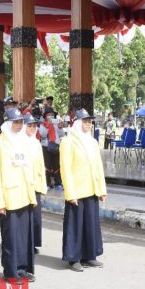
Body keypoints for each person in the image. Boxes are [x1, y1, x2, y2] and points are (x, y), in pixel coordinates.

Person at [0, 108, 37, 283]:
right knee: (11, 237)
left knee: (24, 236)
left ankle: (23, 267)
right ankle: (10, 271)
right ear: (7, 123)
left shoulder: (24, 142)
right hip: (9, 198)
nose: (18, 126)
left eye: (20, 122)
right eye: (15, 122)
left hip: (24, 194)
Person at [60, 109, 107, 272]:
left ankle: (89, 255)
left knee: (90, 224)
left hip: (92, 188)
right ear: (77, 122)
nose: (88, 124)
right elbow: (65, 169)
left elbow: (98, 167)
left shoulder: (92, 142)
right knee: (75, 225)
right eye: (85, 121)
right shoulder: (68, 141)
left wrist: (101, 189)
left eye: (89, 122)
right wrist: (70, 193)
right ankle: (73, 258)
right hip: (77, 190)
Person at [24, 113, 47, 255]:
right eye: (29, 125)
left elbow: (41, 165)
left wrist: (43, 184)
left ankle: (33, 243)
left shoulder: (36, 143)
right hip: (25, 185)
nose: (32, 128)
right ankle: (26, 244)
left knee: (36, 217)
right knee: (25, 217)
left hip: (36, 185)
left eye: (34, 126)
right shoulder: (20, 142)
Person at [39, 107, 64, 190]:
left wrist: (60, 127)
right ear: (46, 116)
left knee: (57, 166)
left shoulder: (56, 124)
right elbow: (42, 135)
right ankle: (47, 184)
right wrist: (47, 126)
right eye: (49, 114)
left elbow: (61, 134)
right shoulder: (43, 124)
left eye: (52, 115)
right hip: (46, 147)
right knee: (47, 166)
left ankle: (58, 183)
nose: (51, 116)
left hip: (56, 146)